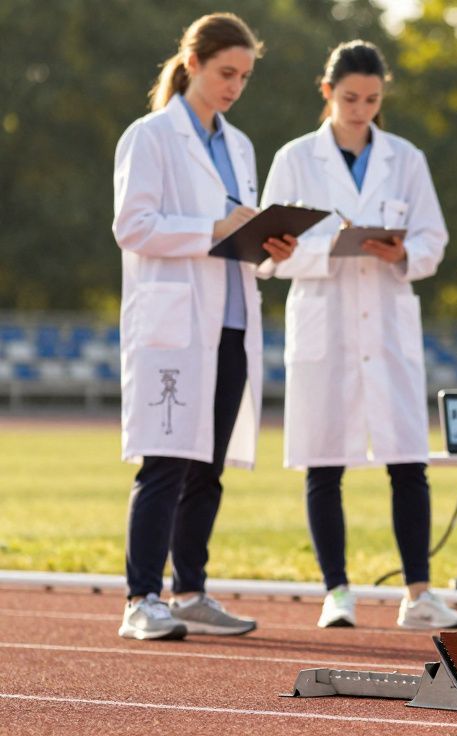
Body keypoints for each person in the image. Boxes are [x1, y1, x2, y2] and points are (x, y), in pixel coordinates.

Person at [260, 40, 457, 630]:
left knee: (408, 461)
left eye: (372, 99)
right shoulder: (296, 157)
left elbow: (433, 240)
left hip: (388, 316)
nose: (361, 109)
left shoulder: (406, 158)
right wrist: (325, 248)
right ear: (327, 93)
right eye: (350, 98)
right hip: (324, 321)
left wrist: (403, 251)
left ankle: (418, 595)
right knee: (324, 463)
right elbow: (269, 254)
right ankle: (337, 592)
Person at [113, 13, 297, 640]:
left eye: (244, 77)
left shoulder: (239, 146)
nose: (234, 87)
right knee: (164, 462)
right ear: (193, 64)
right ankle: (142, 598)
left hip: (232, 320)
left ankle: (189, 591)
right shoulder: (151, 136)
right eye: (226, 73)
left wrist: (268, 247)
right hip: (173, 324)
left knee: (208, 467)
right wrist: (214, 229)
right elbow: (132, 227)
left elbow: (233, 237)